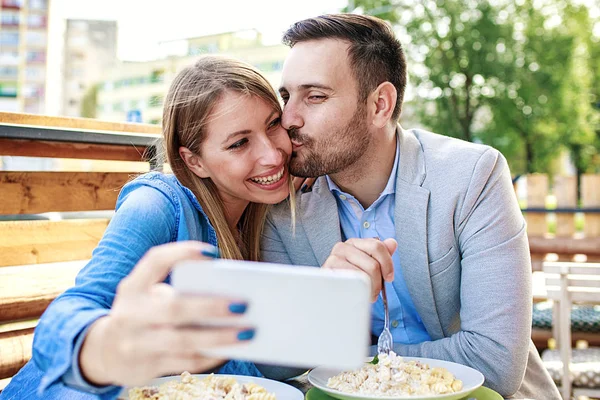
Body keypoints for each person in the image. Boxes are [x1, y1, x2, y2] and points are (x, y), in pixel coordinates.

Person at [261, 13, 561, 399]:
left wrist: (352, 362)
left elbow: (494, 362)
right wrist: (323, 302)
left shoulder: (473, 176)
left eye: (315, 96)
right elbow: (270, 361)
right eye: (286, 96)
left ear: (380, 105)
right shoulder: (284, 204)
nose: (288, 119)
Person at [0, 55, 297, 399]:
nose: (273, 155)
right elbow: (65, 316)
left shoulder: (266, 214)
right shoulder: (156, 204)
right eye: (239, 143)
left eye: (273, 124)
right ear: (194, 161)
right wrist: (107, 349)